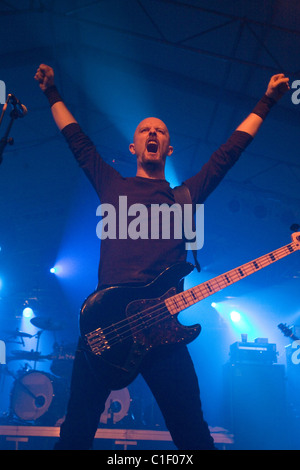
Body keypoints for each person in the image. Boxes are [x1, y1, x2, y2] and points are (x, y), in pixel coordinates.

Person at [34, 65, 289, 450]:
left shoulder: (185, 197)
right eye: (144, 130)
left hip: (162, 331)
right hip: (106, 322)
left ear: (168, 148)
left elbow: (229, 152)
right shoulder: (113, 185)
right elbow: (77, 141)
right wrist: (52, 92)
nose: (152, 133)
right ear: (134, 147)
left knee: (191, 431)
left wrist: (267, 100)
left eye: (161, 130)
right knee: (76, 431)